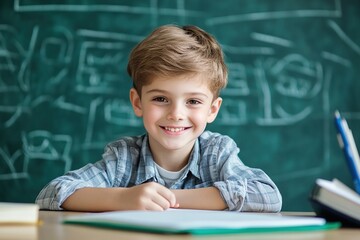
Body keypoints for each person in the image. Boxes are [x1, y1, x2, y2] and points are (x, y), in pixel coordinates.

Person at [36, 25, 282, 212]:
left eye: (193, 101)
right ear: (137, 102)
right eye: (161, 99)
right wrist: (124, 198)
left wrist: (167, 199)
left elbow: (268, 195)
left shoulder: (217, 153)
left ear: (212, 109)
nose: (176, 114)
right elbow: (51, 193)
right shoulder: (123, 158)